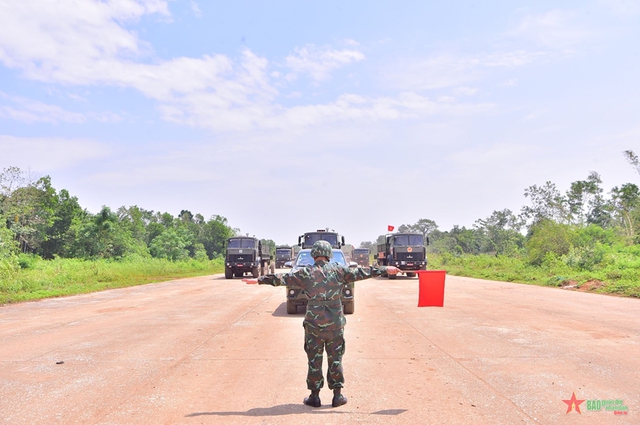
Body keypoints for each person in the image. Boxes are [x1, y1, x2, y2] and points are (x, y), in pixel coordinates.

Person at [243, 240, 400, 408]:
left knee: (314, 360)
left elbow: (282, 278)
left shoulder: (306, 273)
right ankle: (337, 396)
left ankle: (314, 396)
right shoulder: (339, 271)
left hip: (314, 325)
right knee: (336, 359)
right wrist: (385, 268)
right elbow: (364, 272)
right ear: (329, 255)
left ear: (314, 255)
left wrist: (260, 279)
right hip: (335, 325)